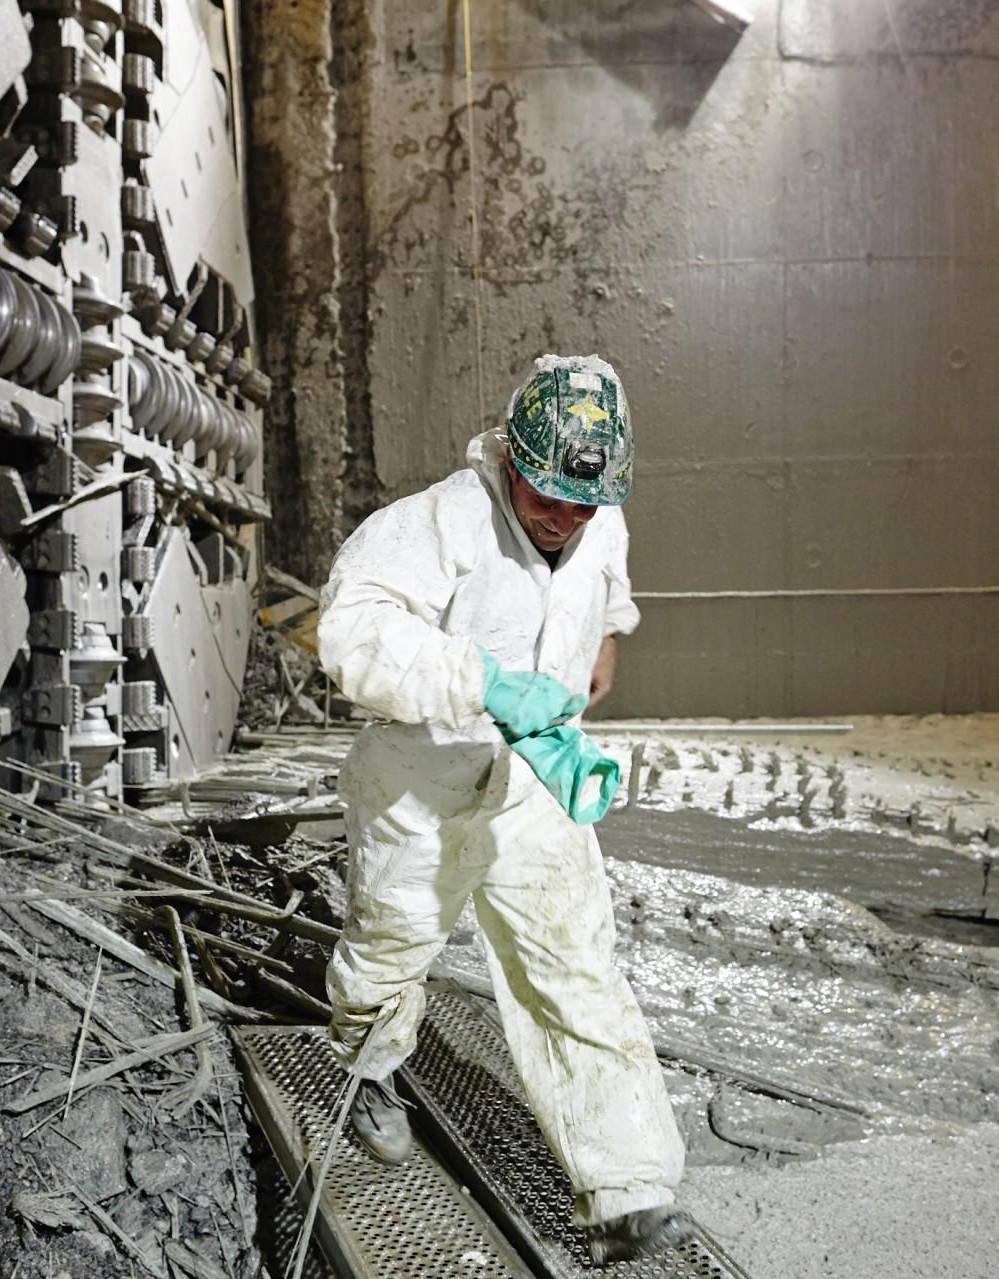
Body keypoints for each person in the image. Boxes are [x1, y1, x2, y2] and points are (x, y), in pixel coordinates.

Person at [315, 354, 692, 1263]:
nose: (563, 519)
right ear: (511, 459)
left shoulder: (598, 520)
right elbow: (349, 630)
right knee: (391, 941)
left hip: (530, 787)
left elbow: (609, 582)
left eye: (582, 506)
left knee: (575, 962)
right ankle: (370, 1071)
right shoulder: (439, 521)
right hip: (423, 781)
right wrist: (479, 678)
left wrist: (605, 638)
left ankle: (628, 1185)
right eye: (546, 498)